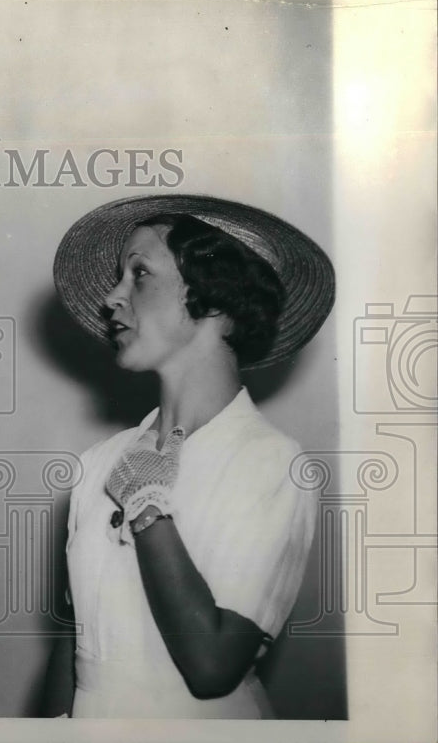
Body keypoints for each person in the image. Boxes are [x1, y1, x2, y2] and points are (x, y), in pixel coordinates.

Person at [46, 195, 335, 718]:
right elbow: (71, 649)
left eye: (139, 274)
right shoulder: (97, 463)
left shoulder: (271, 463)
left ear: (215, 299)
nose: (112, 297)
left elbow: (212, 665)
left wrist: (148, 508)